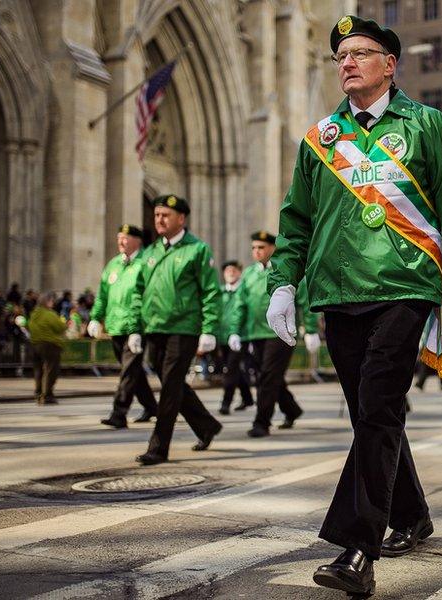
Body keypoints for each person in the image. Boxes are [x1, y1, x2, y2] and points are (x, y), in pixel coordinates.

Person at [266, 15, 442, 596]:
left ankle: (357, 549)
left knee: (378, 407)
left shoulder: (426, 125)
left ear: (389, 64)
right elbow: (296, 221)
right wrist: (282, 283)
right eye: (340, 55)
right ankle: (412, 513)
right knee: (373, 416)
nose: (347, 62)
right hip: (339, 295)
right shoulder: (321, 141)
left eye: (360, 53)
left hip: (404, 288)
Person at [131, 194, 223, 466]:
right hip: (155, 326)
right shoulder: (151, 252)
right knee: (172, 382)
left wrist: (209, 329)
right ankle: (206, 425)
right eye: (157, 215)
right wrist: (136, 328)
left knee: (170, 386)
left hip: (184, 328)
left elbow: (210, 291)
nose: (159, 219)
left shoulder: (197, 250)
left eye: (165, 215)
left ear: (181, 219)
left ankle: (158, 448)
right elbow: (139, 291)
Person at [228, 231, 318, 437]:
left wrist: (310, 330)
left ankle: (262, 422)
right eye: (253, 248)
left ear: (272, 249)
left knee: (267, 377)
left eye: (261, 247)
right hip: (255, 333)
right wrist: (234, 331)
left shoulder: (285, 270)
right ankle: (291, 409)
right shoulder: (249, 275)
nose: (256, 252)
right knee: (269, 376)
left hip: (280, 334)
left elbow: (304, 300)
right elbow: (240, 305)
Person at [88, 224, 159, 428]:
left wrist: (138, 329)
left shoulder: (145, 263)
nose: (121, 241)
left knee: (128, 371)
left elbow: (148, 297)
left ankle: (119, 413)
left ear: (137, 241)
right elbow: (102, 294)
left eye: (125, 238)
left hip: (136, 327)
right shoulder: (113, 265)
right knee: (133, 371)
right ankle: (152, 407)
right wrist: (95, 317)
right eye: (119, 237)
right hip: (116, 325)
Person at [216, 259, 254, 414]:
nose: (231, 273)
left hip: (241, 337)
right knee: (235, 370)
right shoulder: (220, 292)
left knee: (230, 370)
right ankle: (247, 398)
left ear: (239, 272)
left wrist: (237, 333)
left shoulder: (244, 291)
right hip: (223, 338)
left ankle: (226, 403)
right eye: (227, 270)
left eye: (234, 270)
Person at [27, 292, 66, 405]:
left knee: (38, 371)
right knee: (50, 370)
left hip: (35, 344)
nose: (52, 303)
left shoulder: (34, 315)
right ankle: (47, 395)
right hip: (50, 344)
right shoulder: (50, 314)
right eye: (51, 301)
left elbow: (29, 327)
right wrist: (63, 322)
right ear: (46, 302)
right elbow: (60, 327)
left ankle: (38, 393)